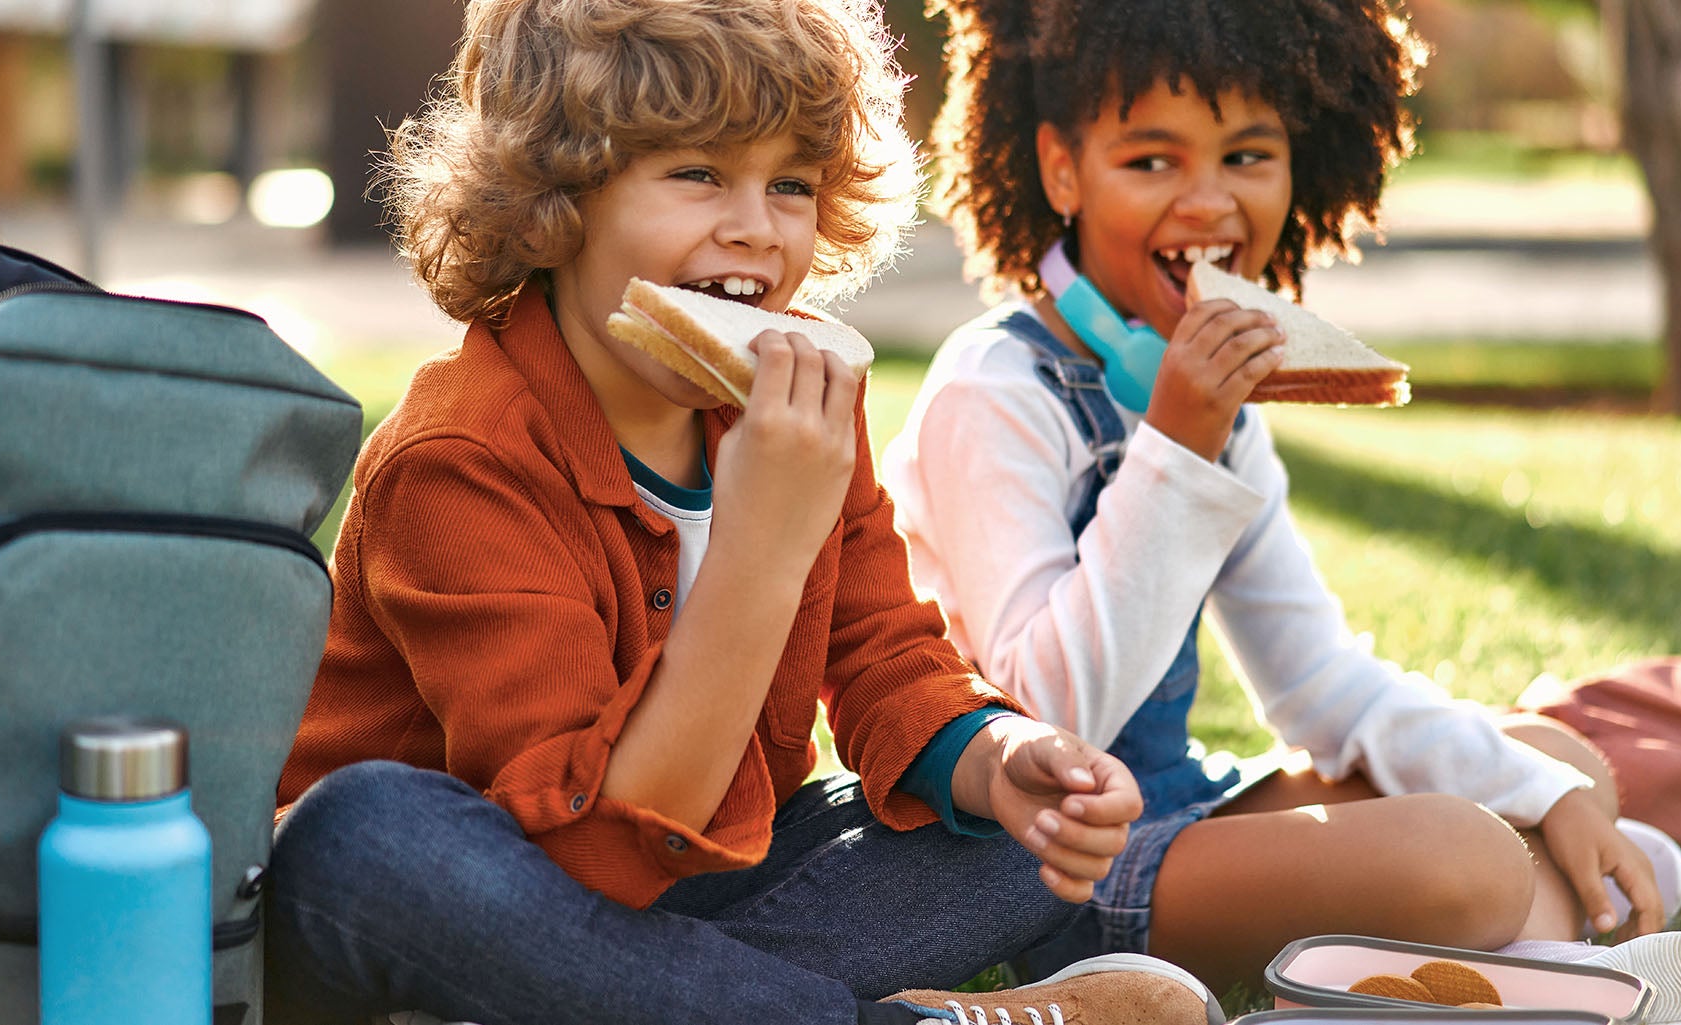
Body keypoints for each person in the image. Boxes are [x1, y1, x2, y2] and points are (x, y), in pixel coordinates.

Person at [262, 1, 1221, 1023]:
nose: (755, 226)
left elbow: (885, 653)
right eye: (696, 172)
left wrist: (997, 758)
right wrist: (761, 544)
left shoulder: (800, 395)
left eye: (791, 185)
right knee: (359, 836)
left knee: (1001, 844)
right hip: (472, 889)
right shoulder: (461, 456)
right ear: (557, 194)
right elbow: (587, 853)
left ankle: (626, 1000)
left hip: (676, 894)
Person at [879, 0, 1681, 993]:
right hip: (1041, 867)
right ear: (1060, 169)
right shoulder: (992, 389)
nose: (1208, 203)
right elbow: (1046, 715)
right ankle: (1536, 936)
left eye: (1246, 157)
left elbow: (1320, 685)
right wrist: (1177, 441)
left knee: (1563, 761)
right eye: (1150, 161)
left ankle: (1512, 937)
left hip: (1182, 808)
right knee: (1465, 858)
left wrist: (1547, 790)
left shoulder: (1211, 399)